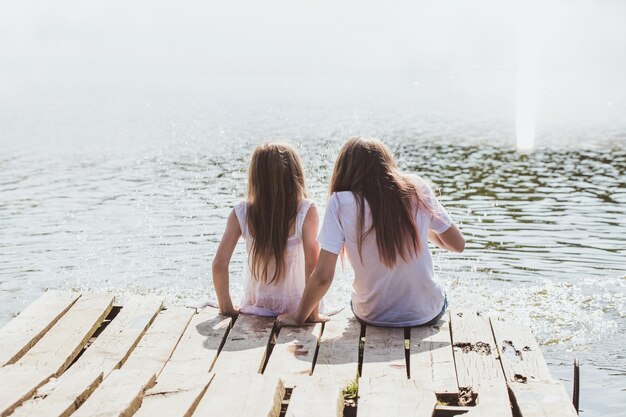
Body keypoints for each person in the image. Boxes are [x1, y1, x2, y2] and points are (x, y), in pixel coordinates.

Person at [278, 136, 465, 327]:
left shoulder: (340, 202)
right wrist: (417, 223)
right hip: (426, 314)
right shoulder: (415, 187)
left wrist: (298, 317)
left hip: (372, 315)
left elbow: (323, 276)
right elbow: (457, 245)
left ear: (344, 171)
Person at [212, 143, 321, 318]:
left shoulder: (241, 212)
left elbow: (219, 264)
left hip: (257, 306)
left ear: (255, 177)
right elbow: (313, 265)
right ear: (295, 176)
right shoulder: (306, 210)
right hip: (298, 307)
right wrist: (312, 315)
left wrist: (226, 308)